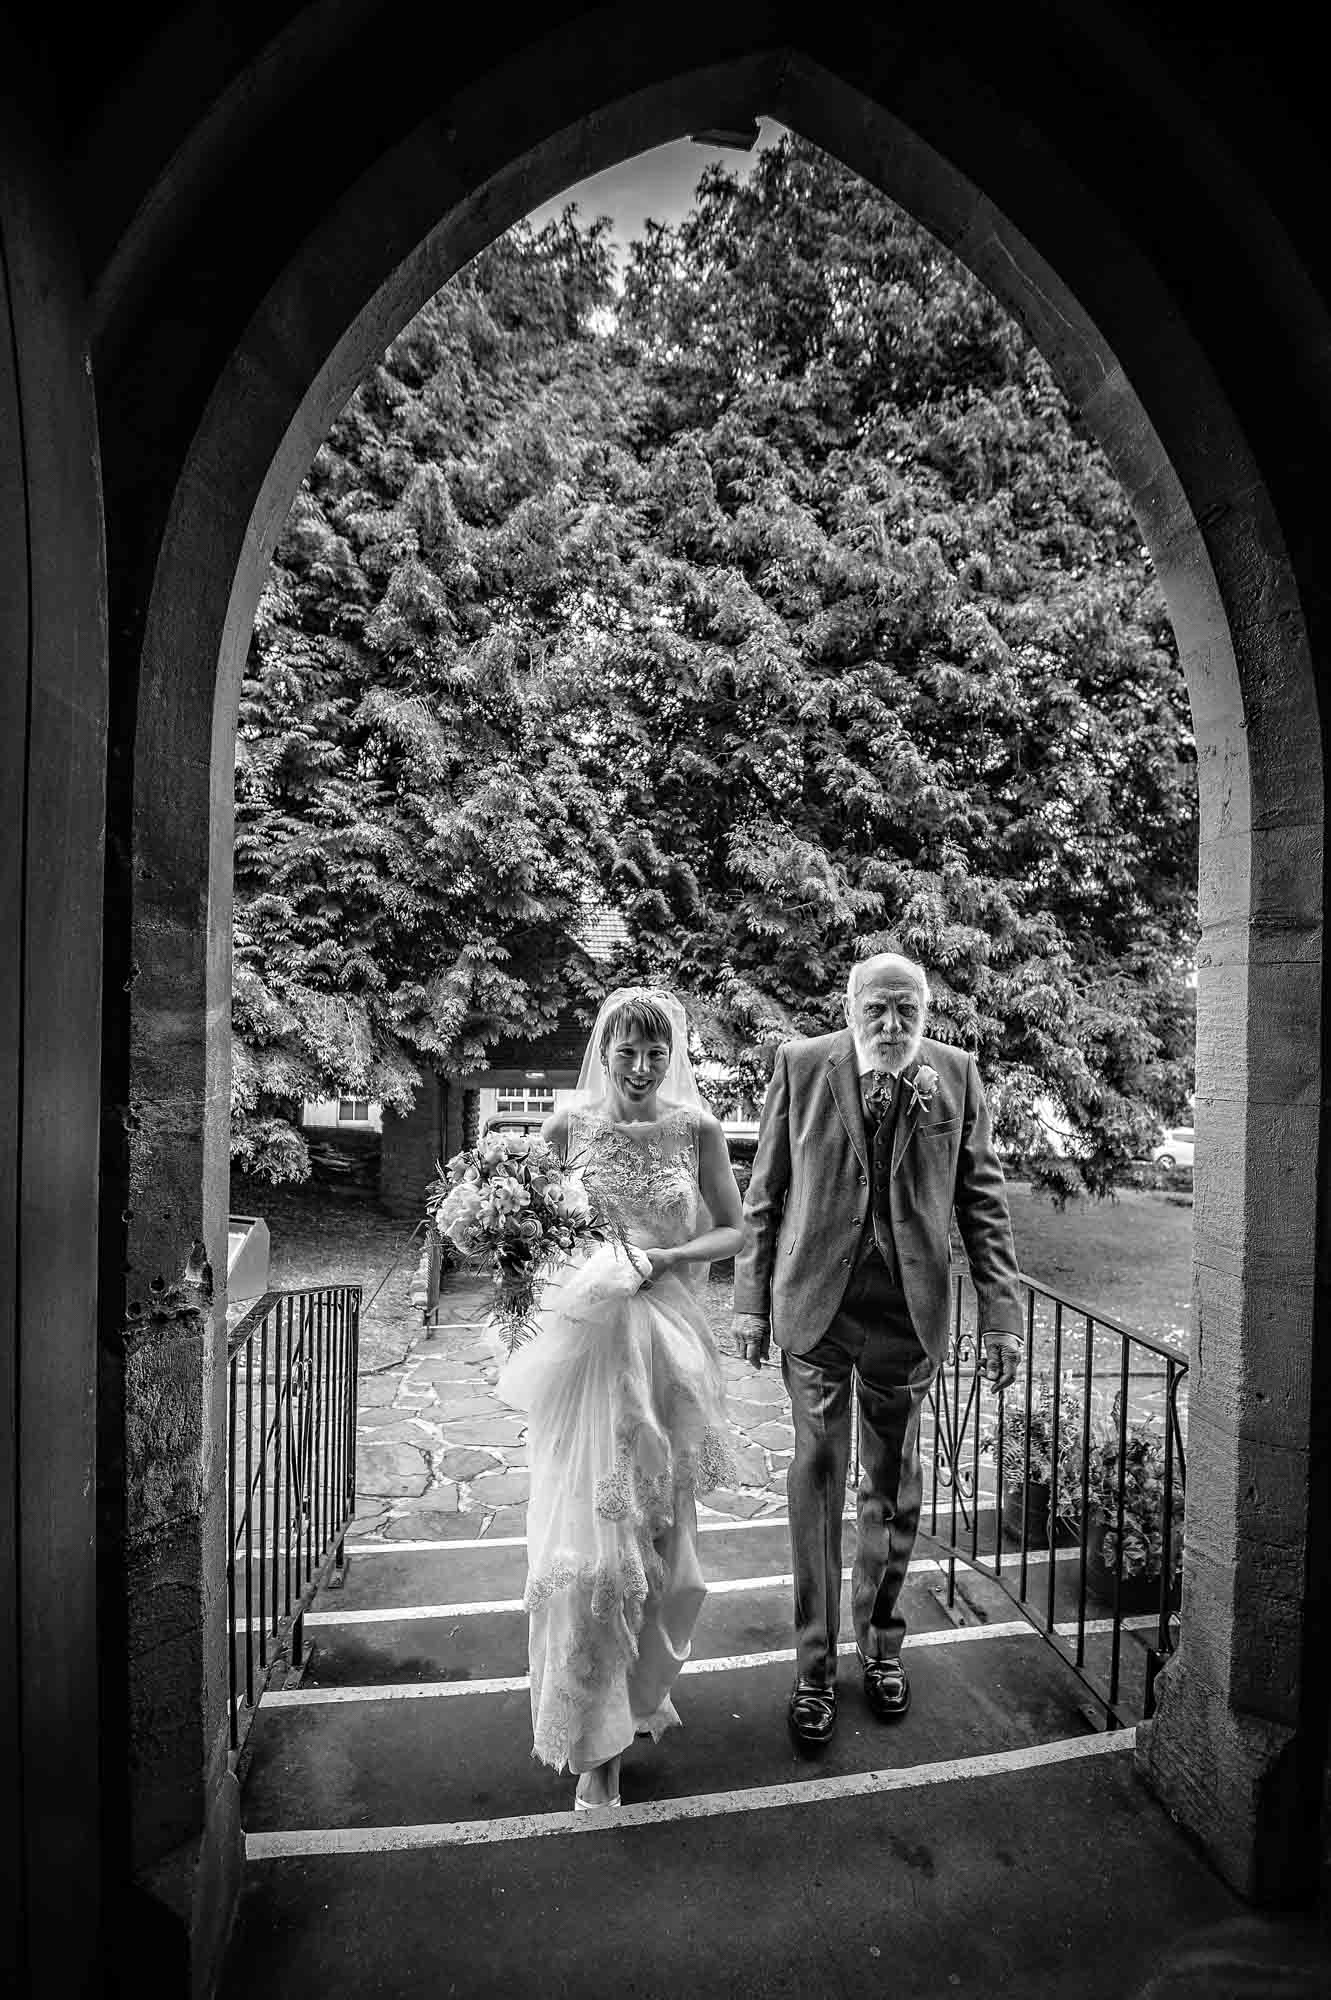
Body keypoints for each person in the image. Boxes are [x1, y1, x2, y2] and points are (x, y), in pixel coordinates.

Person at [730, 952, 1022, 1748]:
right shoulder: (799, 1065)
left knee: (891, 1490)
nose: (891, 1026)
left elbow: (981, 1203)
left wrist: (1001, 1315)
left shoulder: (955, 1074)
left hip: (905, 1315)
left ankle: (882, 1647)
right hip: (815, 1313)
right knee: (817, 1484)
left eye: (906, 1010)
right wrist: (750, 1304)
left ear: (925, 1009)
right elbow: (764, 1197)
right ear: (850, 1005)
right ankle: (813, 1668)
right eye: (877, 1009)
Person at [498, 987, 745, 1809]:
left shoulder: (696, 1129)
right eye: (626, 1051)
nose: (640, 1068)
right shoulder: (565, 1126)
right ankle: (593, 1745)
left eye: (655, 1053)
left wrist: (666, 1260)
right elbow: (527, 1229)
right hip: (586, 1350)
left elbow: (734, 1230)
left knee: (662, 1551)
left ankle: (637, 1697)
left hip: (666, 1350)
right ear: (602, 1050)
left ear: (671, 1056)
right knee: (589, 1548)